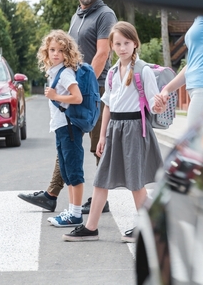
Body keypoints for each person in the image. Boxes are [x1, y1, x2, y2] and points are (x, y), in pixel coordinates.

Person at [62, 21, 166, 242]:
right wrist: (102, 136)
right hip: (115, 130)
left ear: (135, 43)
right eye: (117, 44)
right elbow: (107, 106)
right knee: (101, 180)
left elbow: (155, 105)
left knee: (136, 183)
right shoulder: (111, 74)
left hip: (135, 130)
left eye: (126, 43)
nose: (122, 48)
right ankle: (91, 228)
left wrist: (159, 104)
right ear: (111, 46)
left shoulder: (143, 70)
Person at [18, 0, 117, 213]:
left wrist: (84, 87)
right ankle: (51, 194)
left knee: (98, 145)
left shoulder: (105, 15)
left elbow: (102, 53)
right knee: (67, 140)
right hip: (77, 87)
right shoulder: (77, 16)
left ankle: (101, 198)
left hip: (96, 89)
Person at [37, 29, 86, 227]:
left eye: (61, 50)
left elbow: (77, 97)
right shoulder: (55, 72)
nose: (56, 53)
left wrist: (56, 96)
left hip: (69, 128)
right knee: (66, 172)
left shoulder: (65, 73)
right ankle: (72, 211)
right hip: (61, 127)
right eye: (52, 50)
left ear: (68, 53)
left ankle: (75, 214)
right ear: (46, 52)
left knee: (74, 172)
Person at [158, 16, 203, 127]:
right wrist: (167, 89)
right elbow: (192, 64)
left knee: (193, 142)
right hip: (200, 90)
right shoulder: (200, 17)